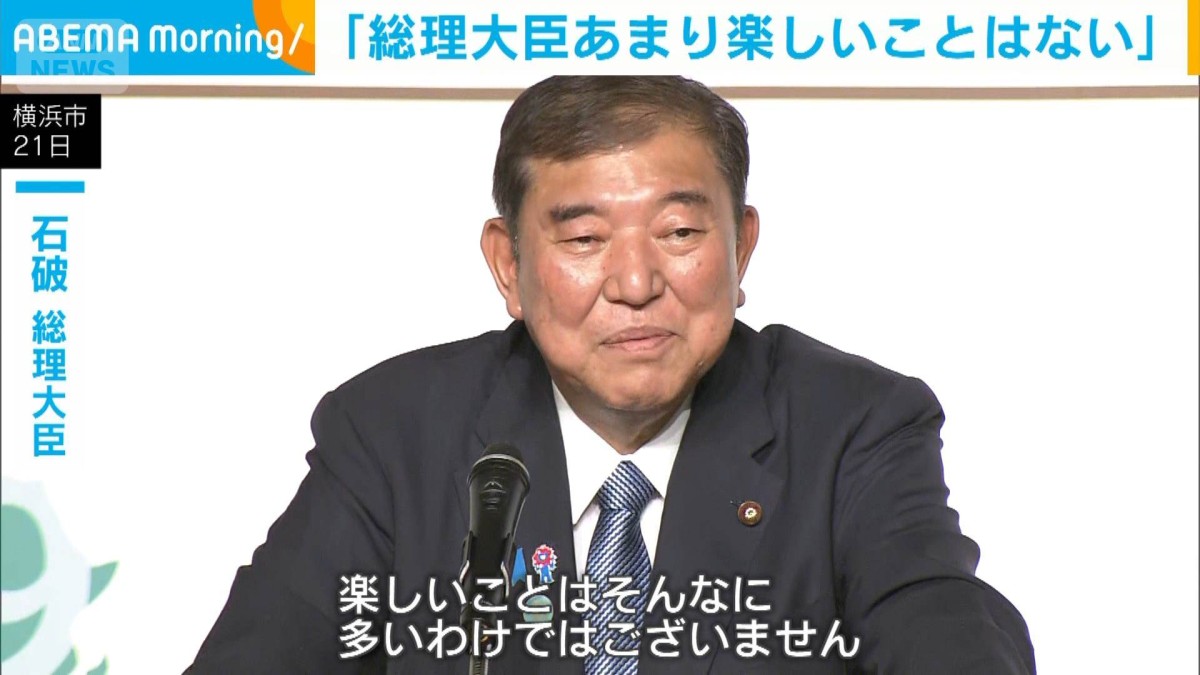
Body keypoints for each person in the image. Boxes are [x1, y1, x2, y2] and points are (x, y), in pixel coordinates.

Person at [187, 75, 1035, 674]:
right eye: (585, 239)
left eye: (679, 233)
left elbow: (941, 625)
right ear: (509, 266)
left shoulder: (855, 426)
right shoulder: (393, 431)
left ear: (741, 247)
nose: (635, 283)